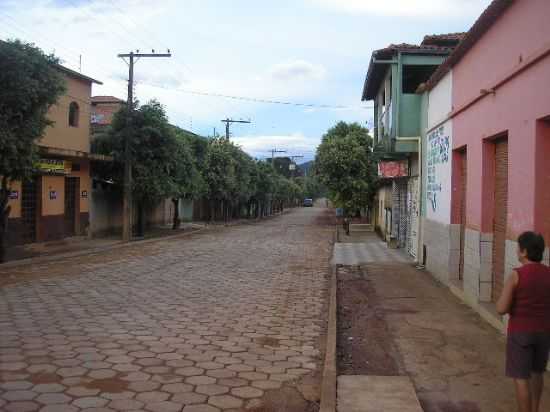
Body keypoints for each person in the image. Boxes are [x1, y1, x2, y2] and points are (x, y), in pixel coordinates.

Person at [497, 231, 550, 412]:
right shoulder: (548, 273)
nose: (517, 252)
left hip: (520, 333)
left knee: (521, 378)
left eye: (518, 248)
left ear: (525, 251)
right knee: (537, 373)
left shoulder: (516, 275)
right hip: (544, 333)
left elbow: (501, 308)